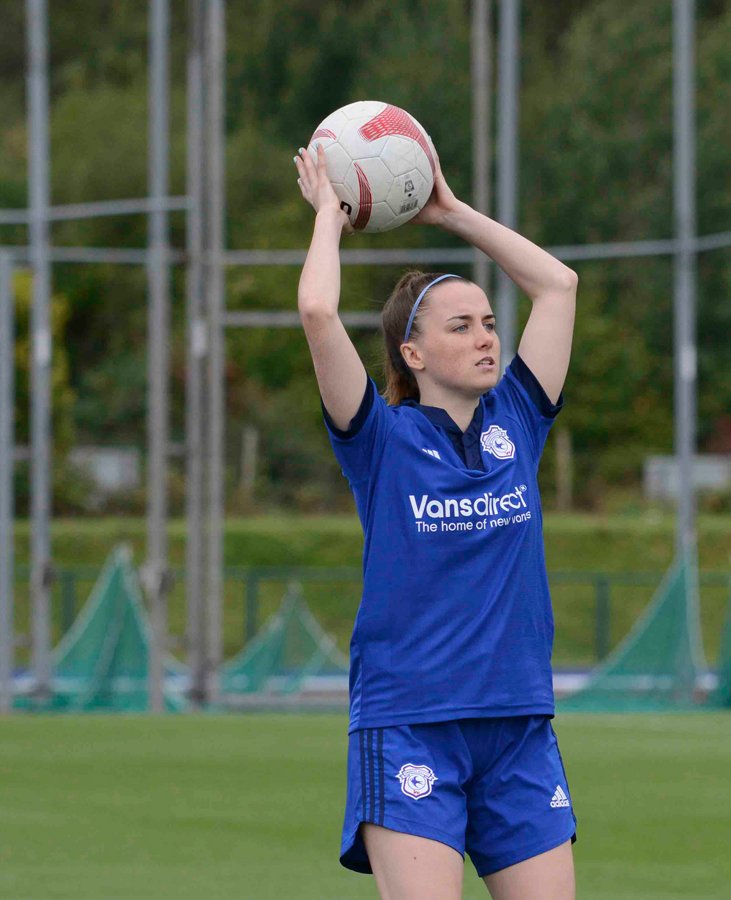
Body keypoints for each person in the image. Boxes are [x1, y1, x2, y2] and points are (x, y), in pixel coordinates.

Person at [293, 142, 579, 900]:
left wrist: (450, 212)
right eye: (462, 327)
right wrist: (330, 212)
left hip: (517, 721)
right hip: (412, 720)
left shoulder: (518, 417)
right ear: (411, 351)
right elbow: (318, 310)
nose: (487, 337)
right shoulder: (380, 440)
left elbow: (558, 285)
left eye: (489, 322)